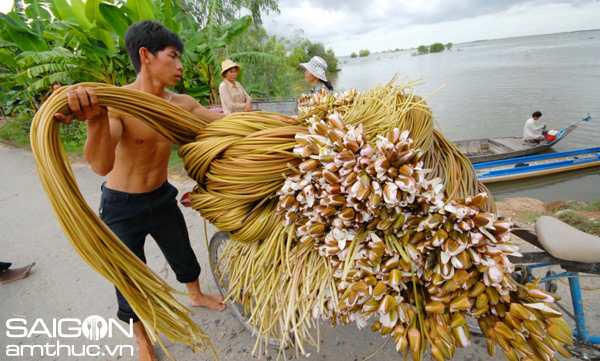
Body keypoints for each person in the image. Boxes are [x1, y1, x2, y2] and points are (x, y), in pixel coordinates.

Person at [54, 20, 226, 361]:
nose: (180, 66)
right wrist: (95, 119)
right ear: (145, 55)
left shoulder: (182, 104)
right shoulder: (117, 105)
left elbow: (225, 123)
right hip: (121, 206)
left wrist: (278, 123)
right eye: (173, 56)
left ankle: (195, 294)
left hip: (161, 196)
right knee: (129, 275)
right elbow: (101, 165)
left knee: (182, 252)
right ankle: (142, 337)